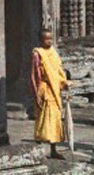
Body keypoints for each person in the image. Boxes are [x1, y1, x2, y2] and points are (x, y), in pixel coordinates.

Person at [30, 29, 71, 159]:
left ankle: (53, 150)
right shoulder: (37, 54)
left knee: (55, 120)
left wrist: (64, 82)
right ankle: (37, 150)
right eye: (46, 39)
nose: (49, 41)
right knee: (42, 120)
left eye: (50, 39)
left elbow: (59, 70)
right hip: (44, 89)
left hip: (55, 90)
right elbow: (34, 75)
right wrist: (36, 94)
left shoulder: (54, 53)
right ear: (40, 40)